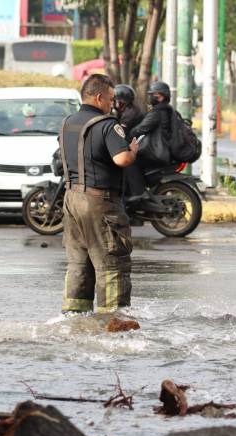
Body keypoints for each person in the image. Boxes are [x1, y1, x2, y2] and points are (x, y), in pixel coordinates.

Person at [58, 73, 139, 314]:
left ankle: (74, 316)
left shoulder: (67, 123)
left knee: (78, 262)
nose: (112, 104)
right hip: (99, 202)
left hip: (71, 199)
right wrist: (133, 150)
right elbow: (122, 158)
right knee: (112, 261)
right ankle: (113, 318)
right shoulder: (108, 125)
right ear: (99, 97)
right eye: (111, 99)